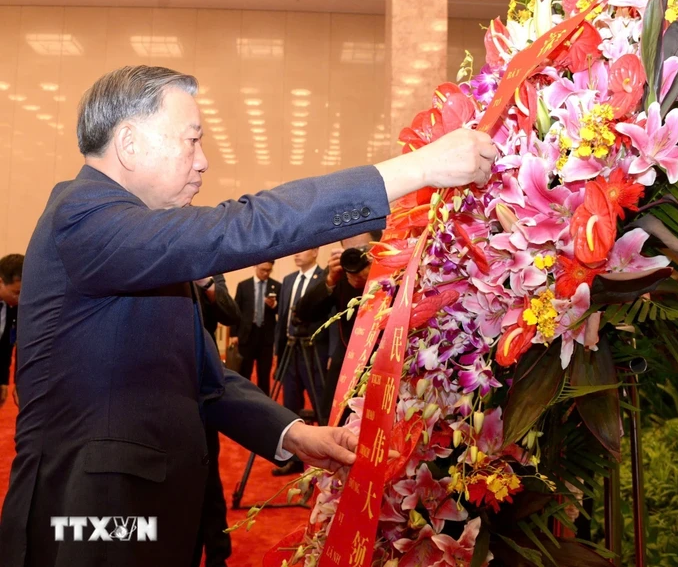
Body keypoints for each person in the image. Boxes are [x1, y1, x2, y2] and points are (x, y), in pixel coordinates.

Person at [0, 65, 495, 567]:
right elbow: (238, 225)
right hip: (91, 522)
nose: (203, 162)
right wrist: (417, 169)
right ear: (128, 143)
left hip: (149, 517)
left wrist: (296, 433)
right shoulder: (81, 216)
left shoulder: (134, 240)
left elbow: (202, 382)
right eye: (191, 141)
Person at [295, 231, 380, 425]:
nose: (357, 257)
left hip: (382, 368)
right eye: (351, 251)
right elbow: (304, 312)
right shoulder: (341, 273)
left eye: (364, 250)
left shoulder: (396, 271)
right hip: (345, 370)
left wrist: (372, 279)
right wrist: (330, 280)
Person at [193, 273, 240, 567]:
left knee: (208, 474)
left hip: (201, 387)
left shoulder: (208, 267)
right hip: (157, 385)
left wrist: (207, 285)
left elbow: (231, 314)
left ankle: (217, 552)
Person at [272, 248, 328, 476]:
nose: (296, 254)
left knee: (320, 407)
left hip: (314, 352)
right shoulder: (288, 280)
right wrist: (278, 348)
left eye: (303, 250)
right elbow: (282, 319)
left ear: (315, 251)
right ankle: (294, 460)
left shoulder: (325, 278)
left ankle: (325, 460)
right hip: (290, 350)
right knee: (290, 407)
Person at [231, 261, 281, 395]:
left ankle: (264, 403)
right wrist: (233, 334)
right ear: (255, 266)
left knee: (264, 374)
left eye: (269, 271)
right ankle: (242, 398)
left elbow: (281, 311)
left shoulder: (276, 286)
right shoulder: (243, 286)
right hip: (247, 335)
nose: (265, 273)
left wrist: (274, 305)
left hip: (266, 337)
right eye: (263, 270)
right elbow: (236, 311)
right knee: (244, 372)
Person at [0, 253, 23, 409]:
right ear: (1, 282)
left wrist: (4, 381)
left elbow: (7, 347)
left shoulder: (13, 308)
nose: (20, 299)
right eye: (16, 293)